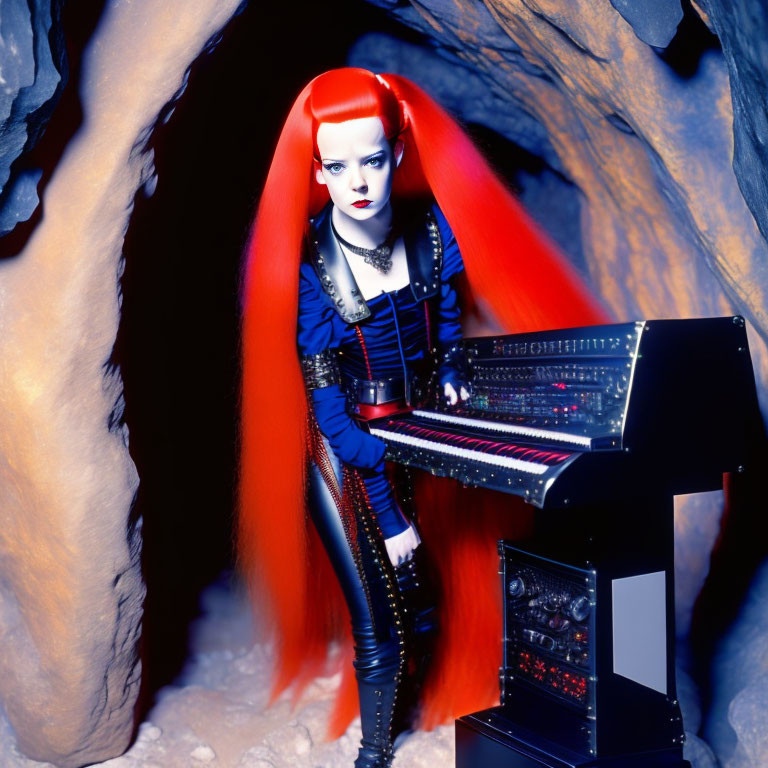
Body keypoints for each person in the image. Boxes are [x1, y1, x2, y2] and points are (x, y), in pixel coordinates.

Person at [240, 68, 605, 767]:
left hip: (410, 433)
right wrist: (392, 517)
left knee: (427, 599)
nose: (357, 182)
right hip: (344, 458)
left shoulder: (431, 232)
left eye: (371, 159)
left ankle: (432, 697)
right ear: (316, 170)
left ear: (397, 155)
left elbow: (442, 324)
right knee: (381, 623)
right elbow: (339, 423)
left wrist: (453, 372)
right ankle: (372, 754)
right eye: (337, 164)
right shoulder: (314, 270)